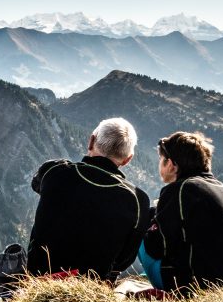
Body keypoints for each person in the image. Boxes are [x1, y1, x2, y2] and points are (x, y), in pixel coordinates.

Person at [27, 117, 151, 281]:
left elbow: (37, 185)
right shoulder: (138, 200)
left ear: (91, 141)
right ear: (128, 159)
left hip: (37, 280)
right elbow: (124, 260)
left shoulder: (54, 171)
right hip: (92, 287)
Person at [140, 131, 223, 292]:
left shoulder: (180, 190)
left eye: (161, 159)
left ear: (171, 164)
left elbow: (155, 246)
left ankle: (109, 277)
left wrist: (153, 220)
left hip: (195, 288)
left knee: (141, 219)